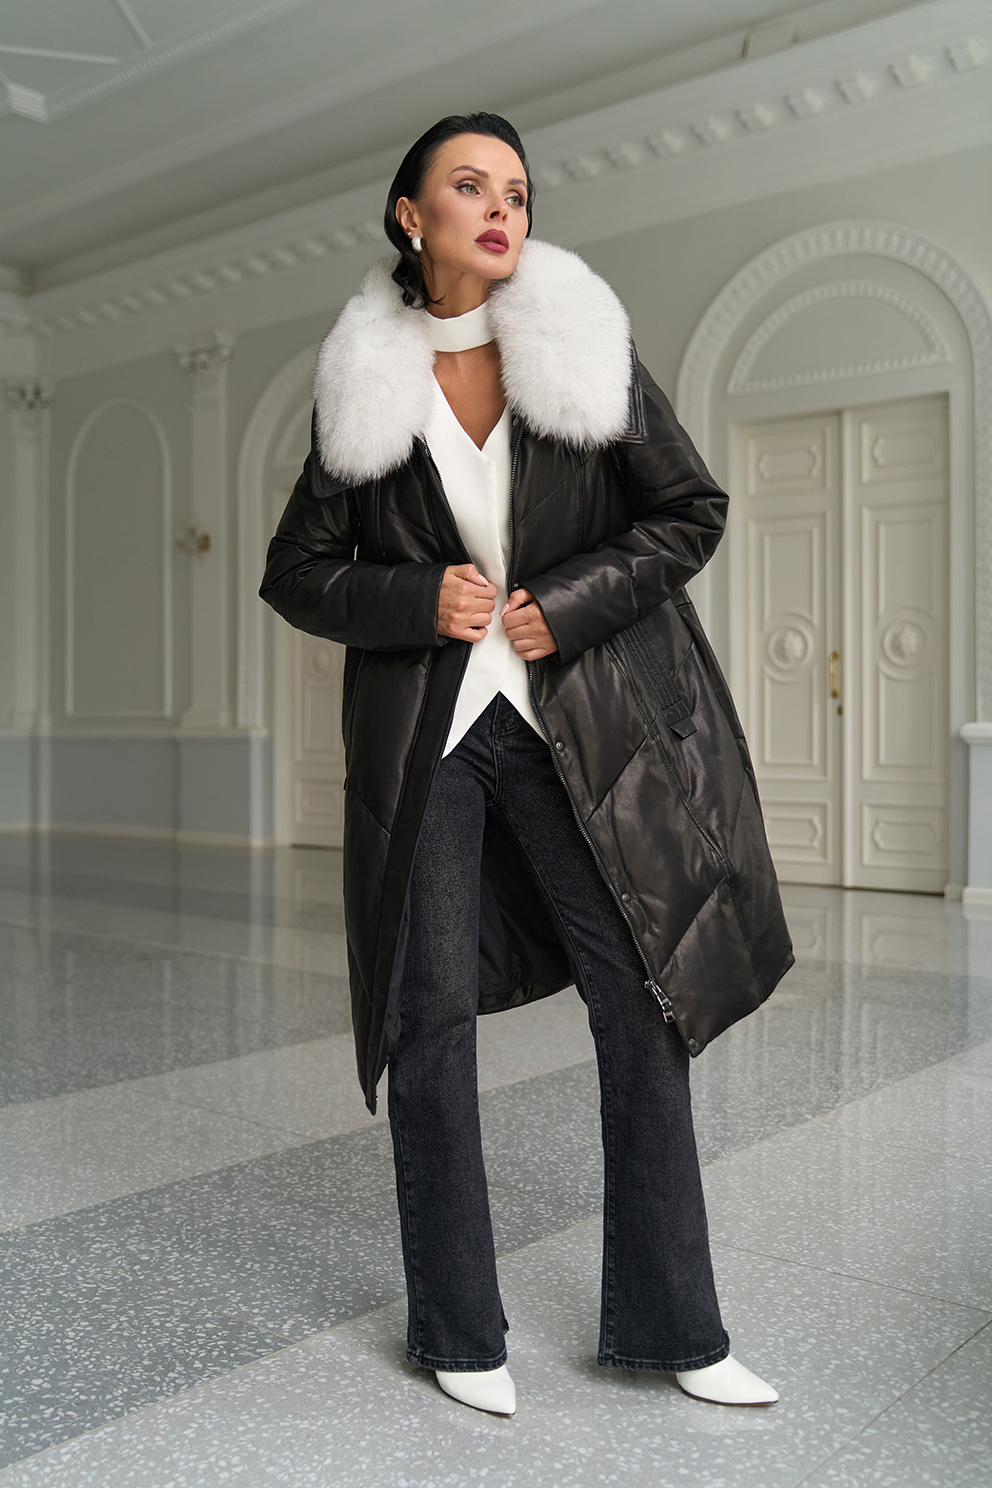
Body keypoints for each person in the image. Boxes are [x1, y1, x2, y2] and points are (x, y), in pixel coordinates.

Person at [260, 112, 793, 1417]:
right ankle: (458, 1331)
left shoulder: (581, 344)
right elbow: (297, 572)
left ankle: (676, 1326)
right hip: (430, 740)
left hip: (582, 726)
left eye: (517, 189)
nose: (502, 207)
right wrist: (410, 599)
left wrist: (571, 598)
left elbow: (689, 511)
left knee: (643, 1003)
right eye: (470, 185)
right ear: (413, 216)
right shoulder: (361, 378)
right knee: (427, 1022)